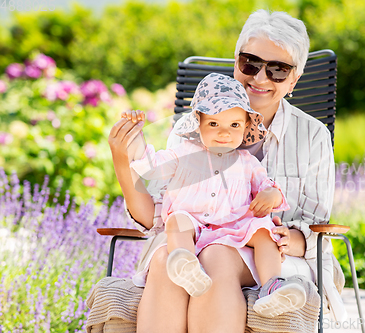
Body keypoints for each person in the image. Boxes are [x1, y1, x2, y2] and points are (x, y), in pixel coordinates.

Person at [108, 9, 345, 333]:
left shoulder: (312, 136)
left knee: (217, 256)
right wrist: (124, 161)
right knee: (166, 261)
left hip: (273, 255)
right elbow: (158, 217)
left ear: (294, 80)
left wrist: (280, 236)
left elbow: (318, 231)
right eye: (250, 63)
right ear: (236, 63)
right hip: (193, 241)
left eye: (278, 70)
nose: (260, 78)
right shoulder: (188, 131)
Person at [127, 73, 307, 318]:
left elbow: (267, 186)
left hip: (233, 229)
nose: (224, 133)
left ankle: (272, 286)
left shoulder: (247, 162)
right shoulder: (183, 153)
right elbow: (151, 165)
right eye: (214, 124)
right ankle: (186, 264)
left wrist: (271, 195)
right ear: (198, 123)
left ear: (245, 127)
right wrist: (136, 137)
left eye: (234, 125)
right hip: (194, 225)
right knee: (177, 220)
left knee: (265, 231)